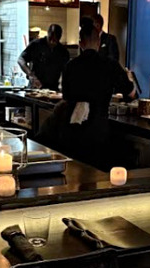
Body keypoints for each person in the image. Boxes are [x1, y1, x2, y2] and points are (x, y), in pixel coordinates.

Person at [58, 17, 136, 168]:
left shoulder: (70, 66)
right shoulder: (110, 65)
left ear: (81, 43)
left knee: (74, 172)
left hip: (72, 129)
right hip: (98, 130)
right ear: (99, 43)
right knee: (95, 174)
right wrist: (130, 79)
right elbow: (131, 93)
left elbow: (65, 97)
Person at [18, 24, 69, 91]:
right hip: (35, 86)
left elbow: (66, 71)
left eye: (55, 39)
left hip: (53, 89)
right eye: (50, 38)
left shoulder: (63, 51)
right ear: (48, 34)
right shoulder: (36, 45)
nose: (52, 42)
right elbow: (21, 59)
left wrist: (62, 84)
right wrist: (30, 75)